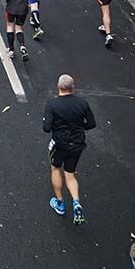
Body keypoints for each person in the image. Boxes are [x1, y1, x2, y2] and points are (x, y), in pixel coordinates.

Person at [43, 74, 96, 225]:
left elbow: (46, 128)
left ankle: (60, 203)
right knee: (70, 174)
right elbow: (91, 123)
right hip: (77, 144)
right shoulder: (82, 103)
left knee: (55, 169)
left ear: (58, 86)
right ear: (72, 88)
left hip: (60, 145)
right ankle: (76, 202)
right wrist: (79, 128)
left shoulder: (52, 104)